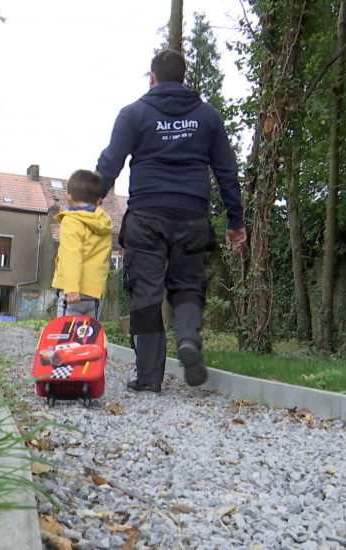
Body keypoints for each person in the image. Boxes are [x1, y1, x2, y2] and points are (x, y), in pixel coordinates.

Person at [96, 49, 247, 394]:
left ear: (152, 78)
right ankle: (189, 340)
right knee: (188, 285)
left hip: (147, 215)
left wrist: (92, 200)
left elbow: (110, 163)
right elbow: (226, 170)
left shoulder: (133, 114)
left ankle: (149, 377)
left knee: (146, 292)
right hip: (192, 215)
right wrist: (235, 220)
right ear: (183, 78)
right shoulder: (207, 117)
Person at [51, 169, 114, 319]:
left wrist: (71, 287)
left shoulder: (71, 221)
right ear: (99, 200)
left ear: (68, 197)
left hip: (74, 293)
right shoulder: (103, 223)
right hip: (95, 294)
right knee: (89, 337)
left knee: (66, 337)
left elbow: (71, 254)